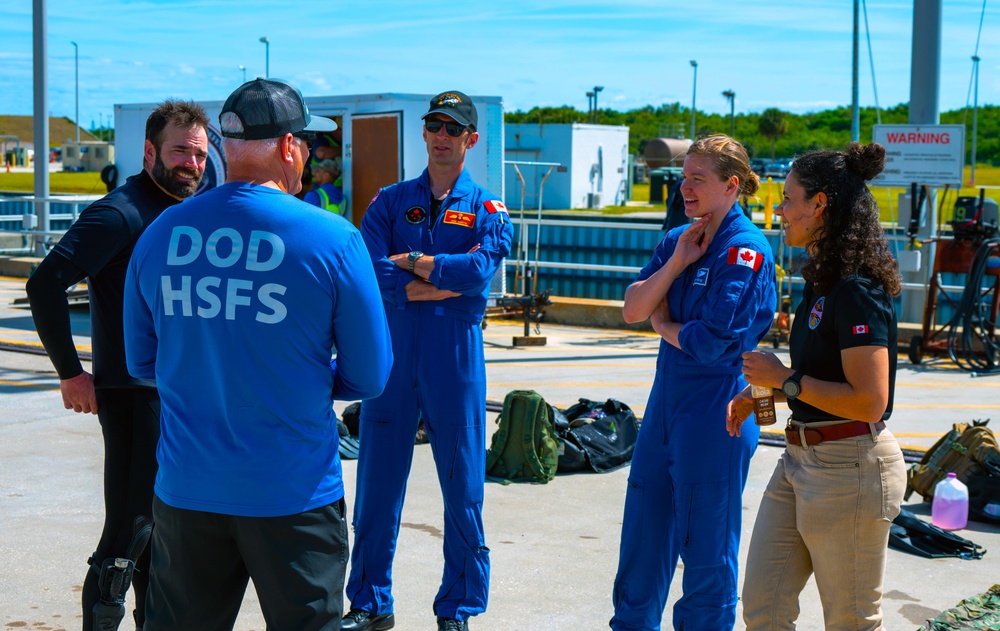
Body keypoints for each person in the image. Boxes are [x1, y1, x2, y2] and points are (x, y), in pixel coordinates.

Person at [122, 78, 393, 630]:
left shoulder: (160, 233)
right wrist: (301, 377)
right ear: (290, 147)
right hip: (291, 494)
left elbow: (142, 363)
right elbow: (371, 374)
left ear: (225, 145)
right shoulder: (334, 240)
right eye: (308, 145)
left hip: (187, 490)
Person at [25, 100, 209, 631]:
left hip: (173, 400)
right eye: (179, 151)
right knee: (127, 537)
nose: (191, 164)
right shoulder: (119, 212)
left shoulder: (180, 212)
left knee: (162, 541)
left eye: (198, 154)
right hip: (131, 398)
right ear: (150, 150)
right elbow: (44, 285)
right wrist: (70, 372)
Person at [343, 90, 513, 631]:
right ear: (425, 134)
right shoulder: (389, 202)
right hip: (392, 360)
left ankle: (458, 608)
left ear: (471, 139)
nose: (442, 136)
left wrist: (416, 264)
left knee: (463, 490)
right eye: (434, 126)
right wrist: (444, 282)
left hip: (454, 361)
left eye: (453, 128)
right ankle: (371, 603)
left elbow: (481, 272)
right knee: (375, 488)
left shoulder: (488, 208)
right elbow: (370, 272)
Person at [726, 142, 905, 631]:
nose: (779, 210)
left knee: (850, 620)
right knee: (763, 604)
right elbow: (822, 382)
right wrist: (766, 392)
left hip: (850, 467)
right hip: (800, 460)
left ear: (820, 204)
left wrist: (782, 378)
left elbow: (870, 400)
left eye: (788, 199)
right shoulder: (823, 282)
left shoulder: (855, 290)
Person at [612, 134, 777, 631]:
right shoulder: (678, 241)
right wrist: (679, 261)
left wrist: (663, 327)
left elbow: (710, 343)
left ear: (730, 186)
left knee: (706, 553)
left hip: (717, 415)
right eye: (683, 177)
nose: (685, 188)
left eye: (697, 179)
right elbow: (632, 309)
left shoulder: (744, 251)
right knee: (643, 539)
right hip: (665, 410)